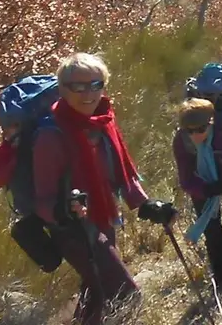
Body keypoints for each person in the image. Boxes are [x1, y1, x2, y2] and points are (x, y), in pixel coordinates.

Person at [34, 52, 177, 324]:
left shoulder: (104, 122)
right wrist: (65, 210)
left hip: (103, 220)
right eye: (79, 86)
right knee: (126, 294)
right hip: (73, 230)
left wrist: (146, 204)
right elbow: (43, 197)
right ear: (63, 89)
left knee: (96, 295)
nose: (88, 93)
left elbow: (121, 170)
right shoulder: (50, 135)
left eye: (96, 84)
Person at [173, 98, 222, 297]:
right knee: (212, 230)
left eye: (200, 129)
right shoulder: (181, 141)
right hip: (204, 184)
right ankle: (221, 277)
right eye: (190, 131)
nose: (195, 135)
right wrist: (207, 189)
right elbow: (186, 178)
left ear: (211, 122)